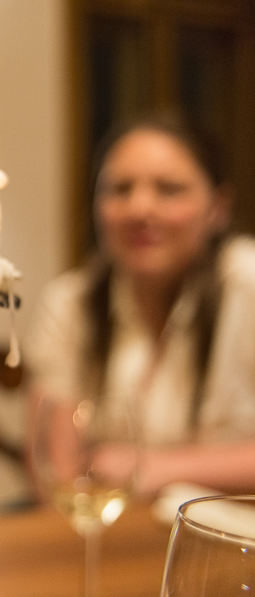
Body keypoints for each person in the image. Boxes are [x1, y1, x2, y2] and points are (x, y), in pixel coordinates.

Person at [27, 113, 255, 498]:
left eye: (169, 190)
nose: (140, 208)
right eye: (120, 189)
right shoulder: (70, 305)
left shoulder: (246, 285)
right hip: (117, 539)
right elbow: (55, 470)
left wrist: (155, 468)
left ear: (219, 207)